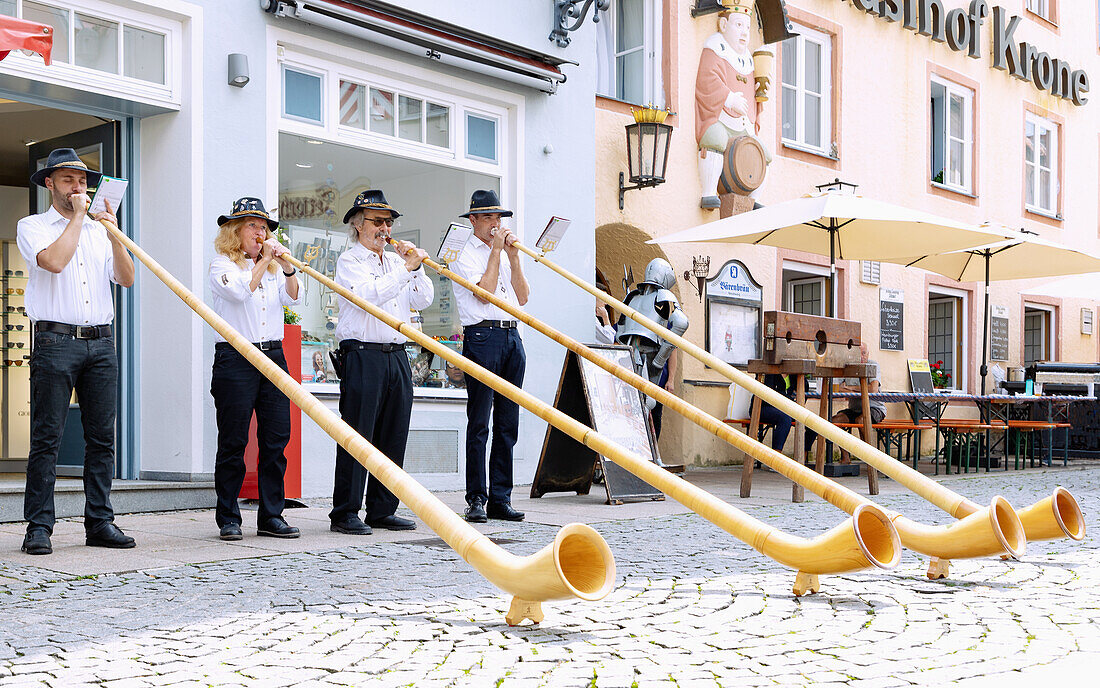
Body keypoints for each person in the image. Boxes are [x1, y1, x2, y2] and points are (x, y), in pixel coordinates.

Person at [16, 148, 136, 556]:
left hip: (101, 341)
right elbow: (53, 261)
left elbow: (127, 278)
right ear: (50, 184)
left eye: (83, 181)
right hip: (55, 340)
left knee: (102, 439)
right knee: (46, 437)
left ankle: (100, 521)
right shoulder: (32, 225)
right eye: (68, 180)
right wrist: (81, 218)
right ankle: (38, 527)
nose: (78, 187)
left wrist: (115, 235)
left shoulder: (100, 230)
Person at [329, 189, 432, 535]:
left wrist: (415, 268)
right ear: (358, 225)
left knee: (393, 434)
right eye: (377, 221)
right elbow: (369, 296)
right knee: (357, 434)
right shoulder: (349, 261)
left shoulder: (394, 262)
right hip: (363, 354)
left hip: (397, 354)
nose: (385, 228)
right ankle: (345, 511)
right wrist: (406, 269)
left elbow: (424, 299)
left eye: (388, 222)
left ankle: (383, 508)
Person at [208, 197, 301, 541]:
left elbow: (293, 298)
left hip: (273, 355)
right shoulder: (222, 265)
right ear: (235, 230)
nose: (261, 233)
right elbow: (240, 292)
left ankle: (271, 515)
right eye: (253, 225)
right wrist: (263, 261)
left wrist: (287, 266)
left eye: (264, 227)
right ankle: (229, 517)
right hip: (236, 356)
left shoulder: (274, 269)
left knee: (276, 438)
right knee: (233, 440)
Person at [451, 190, 528, 523]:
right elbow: (483, 294)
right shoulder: (464, 253)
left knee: (508, 423)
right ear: (473, 220)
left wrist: (514, 257)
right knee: (480, 421)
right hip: (483, 335)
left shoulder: (503, 251)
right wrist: (496, 251)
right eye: (489, 218)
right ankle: (477, 499)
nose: (496, 224)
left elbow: (522, 297)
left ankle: (501, 497)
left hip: (512, 334)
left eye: (499, 218)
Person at [694, 0, 771, 208]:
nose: (744, 33)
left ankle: (755, 198)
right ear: (724, 26)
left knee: (764, 154)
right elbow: (707, 79)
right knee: (715, 139)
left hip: (743, 125)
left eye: (747, 27)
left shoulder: (748, 59)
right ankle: (709, 192)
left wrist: (758, 94)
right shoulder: (715, 49)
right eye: (739, 25)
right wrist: (729, 98)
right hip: (720, 119)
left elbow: (751, 95)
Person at [805, 342, 886, 464]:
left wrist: (849, 387)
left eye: (864, 353)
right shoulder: (848, 367)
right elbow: (835, 388)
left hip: (875, 408)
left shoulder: (873, 365)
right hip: (854, 409)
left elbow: (873, 389)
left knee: (861, 420)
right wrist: (855, 388)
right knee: (835, 421)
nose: (861, 357)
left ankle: (870, 457)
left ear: (868, 354)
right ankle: (845, 456)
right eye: (858, 354)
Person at [755, 373, 797, 454]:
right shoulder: (770, 372)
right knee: (784, 418)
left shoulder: (792, 374)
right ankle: (775, 458)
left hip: (784, 409)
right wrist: (791, 401)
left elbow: (805, 387)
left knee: (811, 422)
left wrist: (800, 373)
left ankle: (803, 460)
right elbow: (770, 393)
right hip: (763, 407)